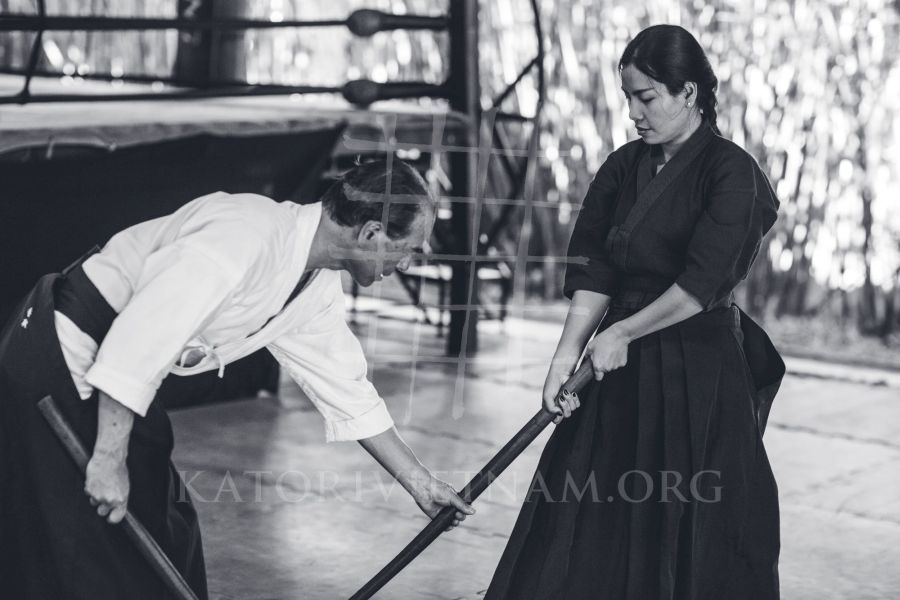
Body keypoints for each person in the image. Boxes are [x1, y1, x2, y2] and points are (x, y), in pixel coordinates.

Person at [0, 159, 474, 599]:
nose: (407, 264)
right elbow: (142, 337)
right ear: (371, 232)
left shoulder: (315, 285)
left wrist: (419, 483)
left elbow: (348, 390)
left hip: (106, 367)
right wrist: (107, 458)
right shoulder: (247, 234)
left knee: (167, 526)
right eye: (407, 249)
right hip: (63, 352)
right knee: (96, 540)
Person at [485, 25, 784, 600]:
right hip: (613, 364)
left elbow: (703, 284)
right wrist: (564, 357)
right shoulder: (624, 166)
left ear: (688, 93)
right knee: (588, 504)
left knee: (690, 512)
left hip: (696, 365)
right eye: (628, 98)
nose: (634, 113)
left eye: (646, 97)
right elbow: (596, 267)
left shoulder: (731, 173)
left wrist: (621, 332)